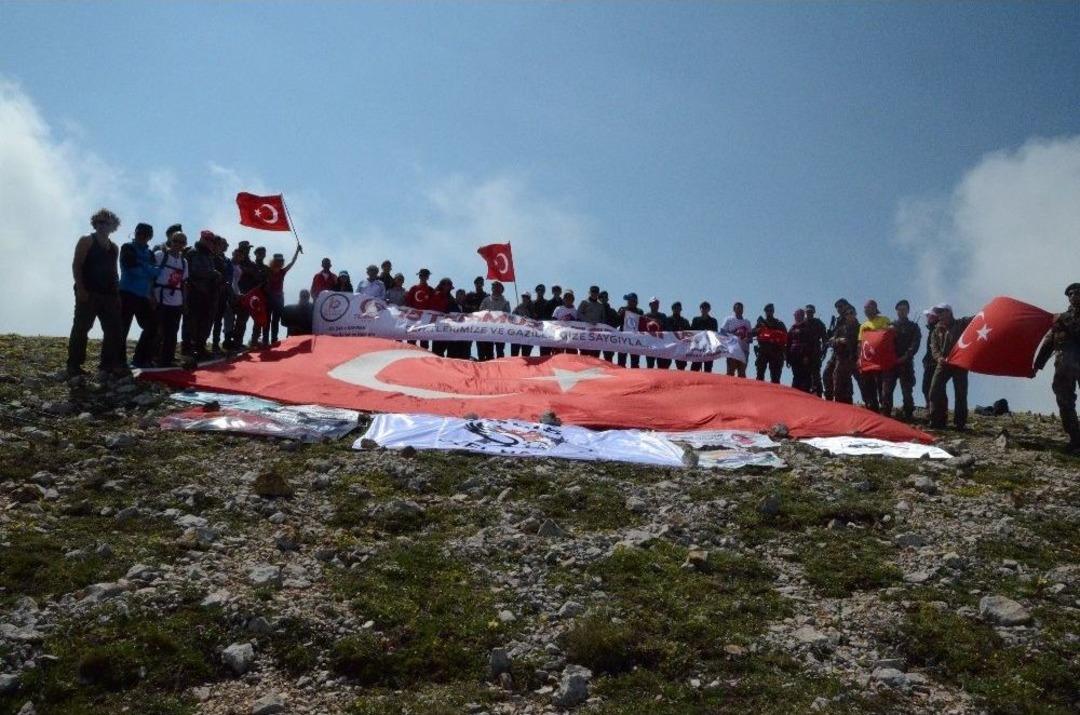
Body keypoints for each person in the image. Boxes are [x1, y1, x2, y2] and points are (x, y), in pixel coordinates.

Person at [67, 208, 125, 378]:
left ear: (113, 226)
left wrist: (117, 294)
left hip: (109, 294)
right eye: (99, 222)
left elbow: (114, 271)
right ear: (95, 223)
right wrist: (81, 288)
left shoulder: (114, 247)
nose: (102, 225)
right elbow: (77, 265)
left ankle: (107, 365)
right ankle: (74, 365)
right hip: (89, 292)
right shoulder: (86, 240)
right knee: (81, 327)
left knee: (113, 329)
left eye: (106, 222)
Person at [1034, 283, 1080, 452]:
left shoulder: (1062, 319)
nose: (1074, 296)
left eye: (1077, 293)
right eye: (1071, 294)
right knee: (1065, 402)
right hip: (1064, 366)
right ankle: (1075, 439)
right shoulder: (1060, 319)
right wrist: (1037, 366)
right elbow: (1048, 344)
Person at [118, 222, 159, 368]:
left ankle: (141, 359)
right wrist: (147, 269)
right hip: (126, 293)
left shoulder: (150, 253)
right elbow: (131, 268)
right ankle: (118, 362)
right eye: (139, 233)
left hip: (143, 296)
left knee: (152, 326)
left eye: (145, 235)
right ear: (135, 233)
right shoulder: (127, 247)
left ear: (149, 237)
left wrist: (143, 267)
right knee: (122, 328)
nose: (141, 237)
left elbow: (156, 273)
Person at [928, 305, 972, 430]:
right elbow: (934, 348)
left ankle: (960, 423)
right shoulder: (936, 331)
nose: (939, 315)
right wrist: (939, 358)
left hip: (959, 363)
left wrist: (989, 310)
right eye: (938, 313)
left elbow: (978, 319)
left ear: (949, 312)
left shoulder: (961, 323)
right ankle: (937, 420)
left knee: (960, 393)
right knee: (934, 390)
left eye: (942, 312)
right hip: (943, 364)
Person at [186, 231, 224, 360]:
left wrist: (215, 276)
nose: (209, 242)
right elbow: (194, 272)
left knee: (205, 322)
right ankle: (189, 349)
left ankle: (200, 348)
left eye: (211, 240)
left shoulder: (209, 255)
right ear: (201, 238)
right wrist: (213, 273)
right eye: (206, 239)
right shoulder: (193, 252)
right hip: (195, 292)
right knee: (193, 322)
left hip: (207, 293)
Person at [153, 231, 189, 366]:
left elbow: (184, 283)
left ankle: (167, 358)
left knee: (172, 331)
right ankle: (153, 357)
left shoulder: (184, 262)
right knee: (157, 329)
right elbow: (151, 277)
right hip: (159, 297)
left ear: (185, 245)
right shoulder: (160, 255)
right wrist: (150, 295)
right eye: (176, 241)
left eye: (181, 242)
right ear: (171, 241)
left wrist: (184, 303)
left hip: (176, 301)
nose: (178, 244)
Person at [881, 299, 921, 420]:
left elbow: (915, 344)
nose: (901, 312)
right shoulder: (890, 326)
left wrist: (906, 356)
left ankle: (908, 416)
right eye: (899, 310)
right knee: (886, 391)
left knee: (907, 392)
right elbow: (882, 343)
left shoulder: (914, 327)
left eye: (904, 309)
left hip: (906, 363)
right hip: (891, 363)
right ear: (896, 311)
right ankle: (886, 416)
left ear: (908, 311)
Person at [856, 299, 892, 411]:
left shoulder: (884, 320)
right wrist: (859, 358)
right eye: (865, 308)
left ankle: (885, 411)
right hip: (868, 360)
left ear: (875, 308)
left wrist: (874, 331)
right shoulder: (863, 326)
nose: (866, 310)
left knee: (882, 386)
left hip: (881, 360)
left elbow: (886, 334)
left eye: (869, 308)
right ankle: (872, 410)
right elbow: (860, 344)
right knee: (869, 385)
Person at [266, 246, 301, 344]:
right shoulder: (267, 271)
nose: (279, 262)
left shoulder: (282, 272)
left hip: (279, 298)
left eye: (281, 261)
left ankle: (274, 339)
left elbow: (292, 262)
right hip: (269, 298)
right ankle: (265, 339)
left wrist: (297, 251)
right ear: (274, 261)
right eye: (277, 260)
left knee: (276, 320)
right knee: (267, 319)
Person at [823, 298, 854, 400]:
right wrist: (832, 339)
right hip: (837, 353)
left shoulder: (850, 317)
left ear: (846, 306)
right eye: (837, 307)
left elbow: (847, 338)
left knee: (839, 379)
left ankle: (841, 402)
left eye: (840, 306)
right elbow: (835, 337)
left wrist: (835, 340)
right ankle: (830, 400)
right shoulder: (838, 320)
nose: (838, 309)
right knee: (827, 374)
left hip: (846, 354)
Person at [830, 304, 860, 404]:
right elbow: (831, 342)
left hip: (857, 360)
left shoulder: (861, 328)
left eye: (851, 313)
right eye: (847, 314)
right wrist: (839, 340)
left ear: (855, 314)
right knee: (838, 385)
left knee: (864, 385)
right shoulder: (841, 329)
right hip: (842, 360)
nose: (849, 315)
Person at [753, 303, 787, 383]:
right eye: (767, 310)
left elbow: (786, 338)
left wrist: (785, 354)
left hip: (776, 352)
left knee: (775, 378)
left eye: (771, 310)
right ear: (765, 312)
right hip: (763, 351)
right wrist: (759, 330)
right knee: (760, 376)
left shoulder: (779, 323)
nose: (769, 312)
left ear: (773, 311)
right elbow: (753, 332)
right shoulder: (761, 323)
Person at [213, 236, 236, 351]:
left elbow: (230, 277)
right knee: (209, 319)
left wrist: (227, 285)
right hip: (212, 292)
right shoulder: (212, 257)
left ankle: (216, 344)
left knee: (219, 320)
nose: (225, 246)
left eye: (226, 245)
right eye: (223, 244)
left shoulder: (227, 260)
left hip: (224, 293)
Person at [478, 280, 511, 359]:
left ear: (501, 289)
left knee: (500, 351)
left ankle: (499, 368)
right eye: (493, 286)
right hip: (488, 329)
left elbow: (508, 315)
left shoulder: (506, 302)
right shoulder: (486, 300)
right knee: (488, 351)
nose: (494, 288)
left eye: (497, 286)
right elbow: (480, 312)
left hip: (500, 330)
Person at [721, 302, 752, 377]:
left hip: (744, 350)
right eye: (737, 308)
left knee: (742, 373)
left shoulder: (747, 322)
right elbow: (722, 332)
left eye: (741, 308)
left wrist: (747, 338)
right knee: (730, 372)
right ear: (734, 309)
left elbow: (750, 337)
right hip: (732, 350)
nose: (739, 310)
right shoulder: (729, 319)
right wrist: (734, 333)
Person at [406, 268, 434, 348]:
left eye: (425, 275)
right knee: (411, 343)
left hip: (425, 320)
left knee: (424, 344)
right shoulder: (413, 288)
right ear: (419, 276)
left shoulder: (431, 290)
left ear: (428, 277)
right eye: (422, 275)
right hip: (413, 319)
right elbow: (408, 302)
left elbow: (432, 305)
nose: (423, 277)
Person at [786, 308, 813, 392]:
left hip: (804, 357)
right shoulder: (792, 329)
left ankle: (806, 394)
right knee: (796, 376)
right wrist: (787, 358)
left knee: (805, 376)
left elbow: (810, 343)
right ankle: (795, 394)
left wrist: (807, 356)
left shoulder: (807, 328)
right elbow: (788, 343)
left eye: (799, 315)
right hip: (794, 356)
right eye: (796, 315)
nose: (797, 317)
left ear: (802, 316)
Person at [921, 305, 943, 406]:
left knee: (934, 388)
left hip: (936, 363)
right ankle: (930, 408)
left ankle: (934, 410)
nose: (928, 318)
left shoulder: (939, 330)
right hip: (930, 363)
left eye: (930, 316)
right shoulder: (932, 330)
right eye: (928, 316)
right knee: (926, 387)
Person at [804, 304, 828, 397]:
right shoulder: (803, 323)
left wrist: (823, 350)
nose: (809, 313)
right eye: (807, 312)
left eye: (811, 312)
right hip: (804, 353)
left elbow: (824, 338)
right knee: (805, 375)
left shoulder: (819, 323)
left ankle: (818, 395)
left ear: (813, 312)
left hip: (815, 352)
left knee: (816, 376)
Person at [429, 278, 456, 357]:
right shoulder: (435, 295)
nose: (448, 288)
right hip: (437, 326)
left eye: (449, 286)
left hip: (447, 328)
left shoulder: (451, 299)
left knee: (444, 350)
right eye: (447, 285)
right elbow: (431, 308)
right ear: (443, 285)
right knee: (436, 351)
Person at [577, 285, 605, 358]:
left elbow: (602, 318)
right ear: (589, 292)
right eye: (593, 292)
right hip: (585, 333)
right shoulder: (584, 302)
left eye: (596, 292)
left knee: (595, 355)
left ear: (598, 293)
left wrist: (600, 325)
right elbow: (578, 314)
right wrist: (588, 321)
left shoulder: (601, 305)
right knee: (584, 354)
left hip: (596, 334)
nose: (594, 293)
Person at [690, 301, 719, 373]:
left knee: (708, 368)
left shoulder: (713, 321)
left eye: (706, 308)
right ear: (700, 309)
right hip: (697, 347)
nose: (704, 309)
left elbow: (715, 333)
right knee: (695, 367)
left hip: (709, 347)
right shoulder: (695, 320)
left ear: (709, 309)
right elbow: (692, 332)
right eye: (702, 308)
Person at [617, 293, 644, 368]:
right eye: (628, 300)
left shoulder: (640, 311)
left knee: (635, 362)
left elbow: (642, 325)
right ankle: (621, 378)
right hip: (623, 339)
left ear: (635, 301)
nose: (628, 302)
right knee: (621, 362)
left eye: (630, 300)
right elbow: (616, 321)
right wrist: (620, 314)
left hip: (635, 340)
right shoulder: (622, 309)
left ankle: (634, 378)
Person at [642, 298, 669, 369]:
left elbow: (667, 329)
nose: (655, 306)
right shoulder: (645, 316)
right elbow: (642, 330)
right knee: (650, 365)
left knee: (661, 365)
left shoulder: (663, 316)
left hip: (660, 344)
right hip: (649, 345)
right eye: (653, 304)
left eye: (657, 304)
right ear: (650, 305)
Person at [667, 301, 690, 370]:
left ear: (681, 309)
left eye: (678, 308)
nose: (677, 310)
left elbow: (689, 333)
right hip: (669, 345)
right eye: (675, 308)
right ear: (672, 309)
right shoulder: (667, 320)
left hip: (681, 346)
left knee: (681, 367)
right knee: (664, 365)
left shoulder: (685, 321)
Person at [511, 292, 535, 357]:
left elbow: (535, 320)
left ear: (529, 299)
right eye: (523, 297)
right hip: (517, 334)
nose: (524, 298)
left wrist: (529, 318)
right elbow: (512, 318)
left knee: (526, 356)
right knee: (514, 355)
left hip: (528, 335)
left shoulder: (533, 308)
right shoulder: (518, 307)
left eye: (526, 297)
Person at [599, 290, 620, 362]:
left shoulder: (612, 311)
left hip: (608, 338)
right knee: (594, 357)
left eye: (605, 297)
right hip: (596, 338)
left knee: (608, 359)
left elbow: (618, 322)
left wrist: (610, 328)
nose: (603, 298)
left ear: (607, 299)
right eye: (601, 297)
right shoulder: (595, 310)